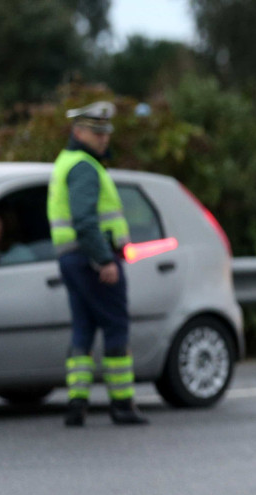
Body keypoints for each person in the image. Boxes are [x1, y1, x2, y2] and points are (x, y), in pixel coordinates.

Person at [47, 101, 148, 427]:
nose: (104, 138)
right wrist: (104, 259)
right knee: (116, 326)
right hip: (91, 258)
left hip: (71, 259)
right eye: (97, 132)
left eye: (106, 132)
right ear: (78, 132)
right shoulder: (84, 167)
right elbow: (85, 220)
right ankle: (122, 405)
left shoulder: (67, 162)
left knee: (83, 330)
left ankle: (77, 403)